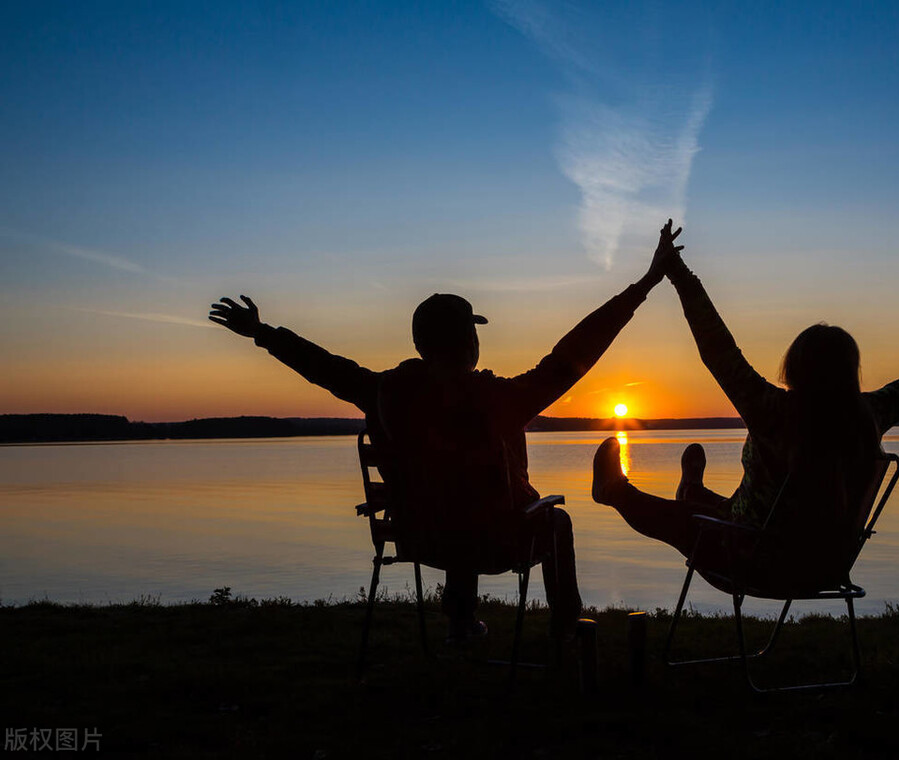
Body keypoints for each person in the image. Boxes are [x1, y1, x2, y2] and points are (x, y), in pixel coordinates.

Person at [209, 220, 684, 641]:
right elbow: (571, 357)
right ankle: (565, 630)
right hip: (493, 541)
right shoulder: (499, 400)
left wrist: (262, 332)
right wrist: (644, 284)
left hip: (419, 537)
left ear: (419, 343)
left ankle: (460, 621)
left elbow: (323, 366)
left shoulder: (383, 392)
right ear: (470, 343)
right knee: (553, 520)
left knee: (456, 504)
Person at [591, 224, 899, 583]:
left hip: (753, 562)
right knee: (718, 508)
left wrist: (677, 272)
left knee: (684, 522)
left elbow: (717, 349)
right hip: (827, 568)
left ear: (794, 369)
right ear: (851, 371)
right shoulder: (870, 413)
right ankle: (694, 491)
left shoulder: (773, 412)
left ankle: (615, 490)